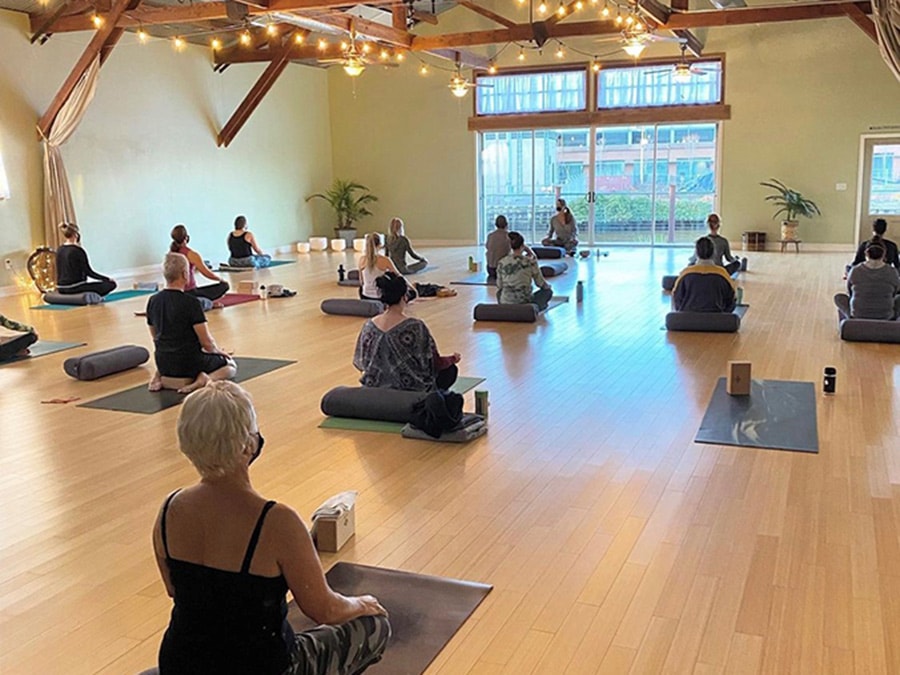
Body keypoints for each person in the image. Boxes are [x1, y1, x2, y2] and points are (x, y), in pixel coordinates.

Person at [153, 381, 391, 675]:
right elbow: (324, 609)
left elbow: (174, 590)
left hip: (180, 663)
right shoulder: (277, 521)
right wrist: (359, 603)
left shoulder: (168, 510)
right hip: (264, 666)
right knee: (375, 626)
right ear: (248, 444)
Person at [354, 272, 460, 392]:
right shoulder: (415, 326)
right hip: (411, 388)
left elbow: (360, 362)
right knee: (450, 370)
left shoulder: (369, 326)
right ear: (404, 297)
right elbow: (434, 362)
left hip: (373, 387)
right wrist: (452, 359)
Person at [146, 253, 237, 394]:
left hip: (163, 362)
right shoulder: (191, 303)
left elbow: (156, 337)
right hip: (189, 362)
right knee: (230, 367)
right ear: (185, 274)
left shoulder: (153, 301)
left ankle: (158, 376)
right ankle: (205, 380)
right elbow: (207, 343)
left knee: (170, 352)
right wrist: (220, 353)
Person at [834, 238, 900, 321]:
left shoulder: (855, 270)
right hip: (885, 315)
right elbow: (895, 292)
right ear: (884, 254)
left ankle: (850, 319)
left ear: (866, 253)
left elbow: (850, 291)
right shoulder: (892, 272)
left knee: (839, 298)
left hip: (858, 314)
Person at [673, 236, 737, 313]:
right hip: (716, 320)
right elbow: (731, 302)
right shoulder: (722, 274)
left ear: (696, 253)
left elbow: (676, 299)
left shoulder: (685, 273)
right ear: (714, 253)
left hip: (688, 319)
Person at [170, 224, 229, 302]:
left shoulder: (170, 254)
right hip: (190, 292)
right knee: (225, 286)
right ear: (186, 238)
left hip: (172, 293)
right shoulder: (191, 254)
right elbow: (206, 273)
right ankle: (205, 302)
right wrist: (220, 279)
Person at [55, 223, 117, 296]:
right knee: (111, 284)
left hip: (61, 288)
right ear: (76, 235)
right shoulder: (78, 251)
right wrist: (106, 279)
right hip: (75, 287)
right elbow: (89, 272)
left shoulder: (59, 250)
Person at [497, 231, 553, 311]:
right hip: (525, 301)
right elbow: (540, 283)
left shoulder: (501, 262)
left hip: (507, 300)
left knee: (499, 293)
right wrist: (548, 287)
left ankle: (506, 308)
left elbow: (499, 285)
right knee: (548, 292)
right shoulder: (530, 261)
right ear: (523, 246)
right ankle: (534, 308)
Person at [358, 233, 415, 302]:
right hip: (380, 297)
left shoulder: (361, 260)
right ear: (380, 244)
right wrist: (412, 288)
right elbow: (399, 276)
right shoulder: (385, 260)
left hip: (365, 295)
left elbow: (361, 281)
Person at [485, 215, 511, 281]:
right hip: (503, 269)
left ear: (495, 224)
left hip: (490, 269)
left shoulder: (490, 236)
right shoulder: (509, 236)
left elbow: (487, 247)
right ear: (506, 224)